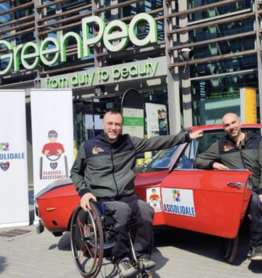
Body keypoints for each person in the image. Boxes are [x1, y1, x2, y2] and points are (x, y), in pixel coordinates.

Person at [70, 109, 203, 278]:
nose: (113, 128)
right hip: (103, 199)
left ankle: (142, 256)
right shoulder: (88, 146)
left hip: (127, 195)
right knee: (122, 210)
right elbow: (75, 172)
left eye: (117, 124)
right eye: (110, 124)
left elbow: (157, 142)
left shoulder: (129, 142)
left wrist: (185, 138)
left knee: (146, 209)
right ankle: (121, 259)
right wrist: (84, 192)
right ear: (103, 125)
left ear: (121, 126)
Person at [193, 113, 262, 261]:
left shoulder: (256, 140)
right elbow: (198, 160)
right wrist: (213, 164)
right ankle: (256, 245)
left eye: (233, 123)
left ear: (240, 122)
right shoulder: (221, 145)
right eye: (227, 125)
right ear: (224, 128)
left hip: (260, 184)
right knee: (254, 201)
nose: (231, 127)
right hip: (241, 190)